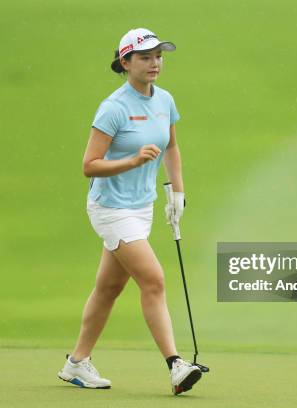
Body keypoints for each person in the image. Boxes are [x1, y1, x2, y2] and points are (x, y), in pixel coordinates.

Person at [57, 28, 202, 395]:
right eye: (145, 57)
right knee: (153, 279)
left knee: (108, 288)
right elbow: (89, 165)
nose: (155, 63)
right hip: (110, 208)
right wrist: (132, 160)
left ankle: (76, 363)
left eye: (158, 56)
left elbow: (171, 147)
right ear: (125, 63)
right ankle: (176, 364)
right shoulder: (114, 108)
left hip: (141, 208)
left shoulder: (165, 100)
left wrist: (177, 193)